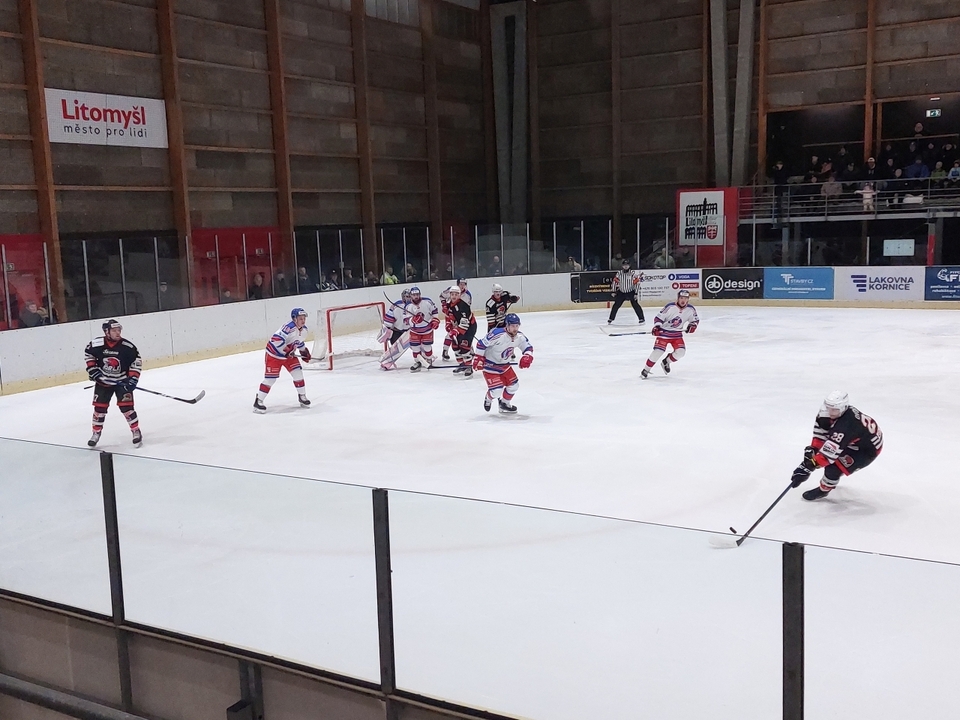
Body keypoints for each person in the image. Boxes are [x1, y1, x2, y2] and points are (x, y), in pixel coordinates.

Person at [789, 391, 883, 501]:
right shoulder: (825, 413)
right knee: (830, 457)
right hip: (851, 440)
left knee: (833, 468)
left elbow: (827, 457)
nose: (831, 412)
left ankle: (823, 490)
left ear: (844, 407)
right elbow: (820, 435)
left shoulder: (846, 426)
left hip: (866, 449)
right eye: (829, 407)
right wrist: (814, 449)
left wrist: (807, 467)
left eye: (835, 410)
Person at [84, 319, 143, 447]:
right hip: (103, 383)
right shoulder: (96, 344)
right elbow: (89, 355)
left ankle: (135, 430)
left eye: (119, 330)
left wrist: (133, 379)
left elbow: (136, 362)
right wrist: (94, 371)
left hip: (122, 381)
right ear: (107, 332)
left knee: (127, 408)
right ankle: (96, 433)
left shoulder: (127, 346)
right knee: (99, 409)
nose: (118, 333)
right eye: (114, 330)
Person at [473, 313, 534, 414]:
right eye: (513, 326)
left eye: (517, 326)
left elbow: (528, 347)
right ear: (507, 325)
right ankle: (488, 398)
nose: (515, 328)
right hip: (490, 366)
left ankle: (504, 404)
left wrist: (527, 356)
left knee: (514, 386)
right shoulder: (497, 334)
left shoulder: (519, 336)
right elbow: (481, 344)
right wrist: (478, 358)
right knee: (496, 391)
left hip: (505, 366)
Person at [253, 308, 311, 413]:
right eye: (300, 318)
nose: (303, 321)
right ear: (294, 319)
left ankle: (302, 396)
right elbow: (276, 340)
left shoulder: (304, 330)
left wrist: (304, 352)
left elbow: (299, 342)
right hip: (274, 355)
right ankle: (258, 401)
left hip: (288, 356)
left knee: (298, 373)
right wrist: (286, 350)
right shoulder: (288, 328)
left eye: (304, 318)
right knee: (270, 379)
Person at [641, 289, 699, 379]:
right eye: (681, 298)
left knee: (681, 352)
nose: (683, 300)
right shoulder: (670, 307)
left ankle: (666, 361)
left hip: (677, 335)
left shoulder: (690, 309)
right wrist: (657, 327)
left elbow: (695, 320)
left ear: (688, 299)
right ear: (678, 298)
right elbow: (658, 318)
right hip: (664, 333)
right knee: (658, 351)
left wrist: (693, 326)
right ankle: (646, 370)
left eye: (685, 298)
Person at [404, 286, 439, 372]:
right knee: (415, 347)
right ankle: (418, 363)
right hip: (414, 331)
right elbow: (405, 320)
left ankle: (429, 360)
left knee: (427, 347)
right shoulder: (408, 306)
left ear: (420, 294)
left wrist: (435, 320)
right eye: (414, 295)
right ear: (411, 296)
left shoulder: (427, 302)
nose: (416, 296)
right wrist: (413, 320)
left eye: (417, 294)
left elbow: (434, 311)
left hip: (427, 330)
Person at [445, 285, 477, 376]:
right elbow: (449, 316)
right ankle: (462, 364)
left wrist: (456, 331)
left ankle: (468, 366)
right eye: (452, 294)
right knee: (455, 347)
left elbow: (465, 322)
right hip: (458, 327)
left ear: (459, 295)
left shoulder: (463, 306)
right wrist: (449, 324)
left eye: (456, 294)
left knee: (464, 347)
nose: (454, 296)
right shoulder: (449, 304)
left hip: (469, 327)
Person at [379, 289, 411, 370]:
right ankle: (386, 363)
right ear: (403, 297)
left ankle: (425, 359)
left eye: (410, 297)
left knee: (418, 345)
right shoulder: (396, 305)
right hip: (397, 331)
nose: (408, 298)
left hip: (410, 331)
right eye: (407, 296)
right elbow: (388, 320)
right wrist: (387, 330)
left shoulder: (415, 305)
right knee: (395, 349)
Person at [607, 259, 645, 325]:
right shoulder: (619, 273)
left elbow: (637, 283)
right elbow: (615, 282)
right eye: (624, 265)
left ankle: (641, 318)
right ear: (622, 266)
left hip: (630, 291)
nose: (626, 266)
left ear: (629, 266)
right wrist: (613, 291)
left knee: (635, 305)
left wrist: (636, 293)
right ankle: (611, 318)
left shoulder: (632, 273)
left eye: (627, 265)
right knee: (616, 305)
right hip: (621, 292)